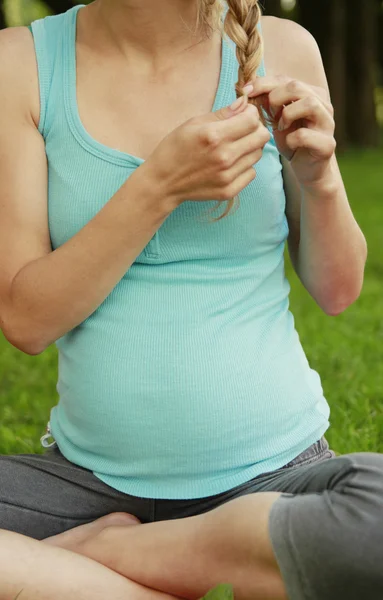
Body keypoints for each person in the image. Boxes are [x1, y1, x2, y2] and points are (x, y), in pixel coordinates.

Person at [0, 0, 381, 598]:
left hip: (276, 482)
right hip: (86, 491)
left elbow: (338, 291)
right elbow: (27, 319)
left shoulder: (287, 49)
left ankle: (95, 564)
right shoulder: (18, 65)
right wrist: (159, 185)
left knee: (373, 517)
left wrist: (321, 177)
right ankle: (201, 573)